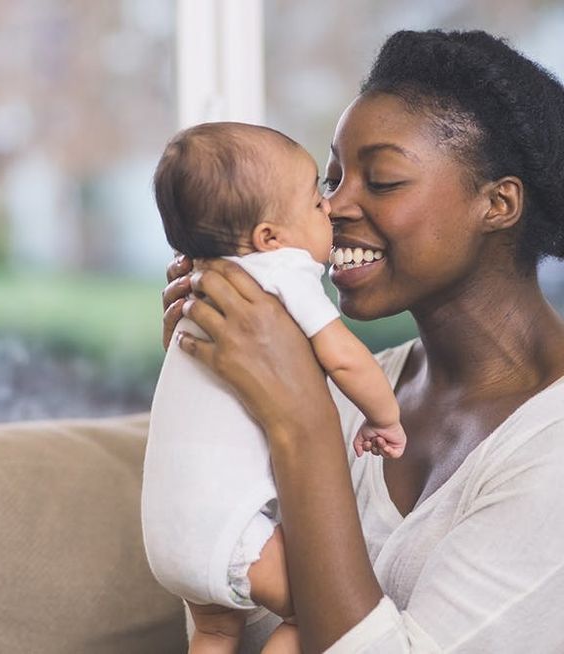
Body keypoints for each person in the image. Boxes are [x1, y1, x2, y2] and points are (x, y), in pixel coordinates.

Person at [160, 29, 564, 653]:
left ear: (498, 203)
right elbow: (238, 610)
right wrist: (214, 401)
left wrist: (300, 422)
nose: (334, 206)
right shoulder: (360, 389)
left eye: (380, 181)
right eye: (328, 180)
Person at [143, 122, 408, 654]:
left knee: (216, 631)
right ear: (270, 238)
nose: (330, 209)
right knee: (319, 612)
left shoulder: (206, 287)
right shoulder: (281, 274)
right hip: (235, 533)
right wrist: (385, 417)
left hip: (164, 537)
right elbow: (345, 359)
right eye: (317, 199)